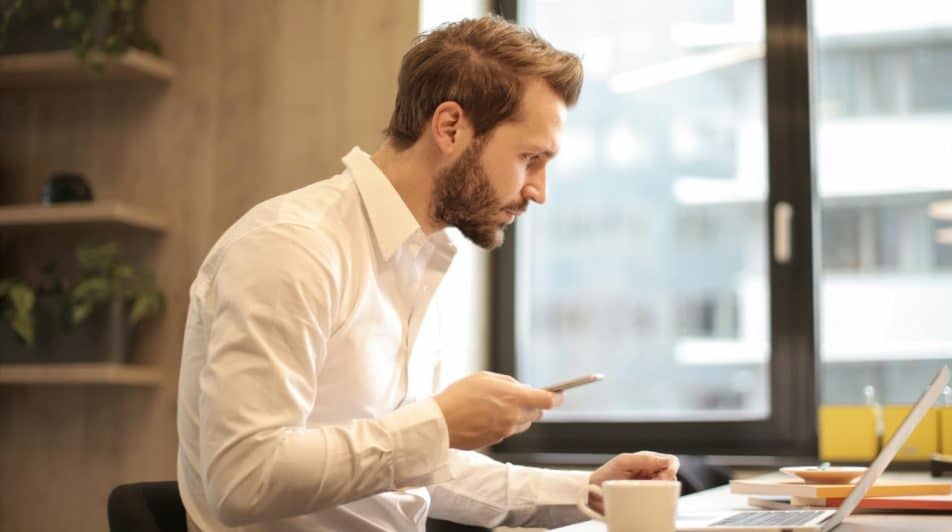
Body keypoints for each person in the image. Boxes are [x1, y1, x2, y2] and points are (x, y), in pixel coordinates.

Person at [177, 15, 679, 532]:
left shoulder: (417, 260)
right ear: (450, 127)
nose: (539, 191)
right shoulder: (291, 248)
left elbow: (404, 468)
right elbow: (243, 480)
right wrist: (437, 423)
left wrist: (585, 493)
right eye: (530, 158)